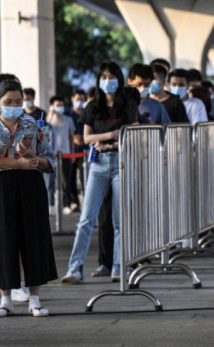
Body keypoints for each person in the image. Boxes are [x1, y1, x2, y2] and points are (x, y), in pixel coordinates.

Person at [0, 74, 58, 317]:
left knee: (34, 239)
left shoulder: (33, 123)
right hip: (2, 186)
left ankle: (35, 299)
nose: (14, 106)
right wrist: (16, 163)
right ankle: (5, 299)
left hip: (31, 185)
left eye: (18, 101)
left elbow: (49, 159)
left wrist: (34, 159)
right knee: (2, 241)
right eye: (9, 101)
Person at [61, 61, 139, 283]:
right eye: (103, 77)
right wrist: (112, 136)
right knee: (86, 218)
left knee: (118, 220)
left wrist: (111, 143)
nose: (107, 81)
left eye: (111, 77)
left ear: (119, 79)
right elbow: (87, 138)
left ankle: (118, 266)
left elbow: (132, 132)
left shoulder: (129, 104)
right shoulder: (92, 106)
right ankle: (75, 268)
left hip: (122, 163)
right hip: (97, 164)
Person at [45, 95, 76, 212]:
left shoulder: (68, 120)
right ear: (52, 106)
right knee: (50, 181)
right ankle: (51, 205)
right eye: (58, 105)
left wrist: (72, 152)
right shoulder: (49, 120)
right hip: (52, 154)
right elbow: (44, 132)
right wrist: (50, 116)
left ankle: (66, 205)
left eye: (62, 105)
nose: (60, 107)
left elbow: (71, 137)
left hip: (66, 153)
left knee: (66, 181)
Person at [66, 89, 87, 213]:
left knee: (85, 176)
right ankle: (75, 202)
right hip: (71, 150)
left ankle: (86, 201)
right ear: (72, 99)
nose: (80, 102)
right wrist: (74, 138)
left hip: (85, 149)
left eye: (82, 99)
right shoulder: (67, 114)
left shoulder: (87, 113)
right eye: (78, 99)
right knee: (71, 177)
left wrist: (85, 139)